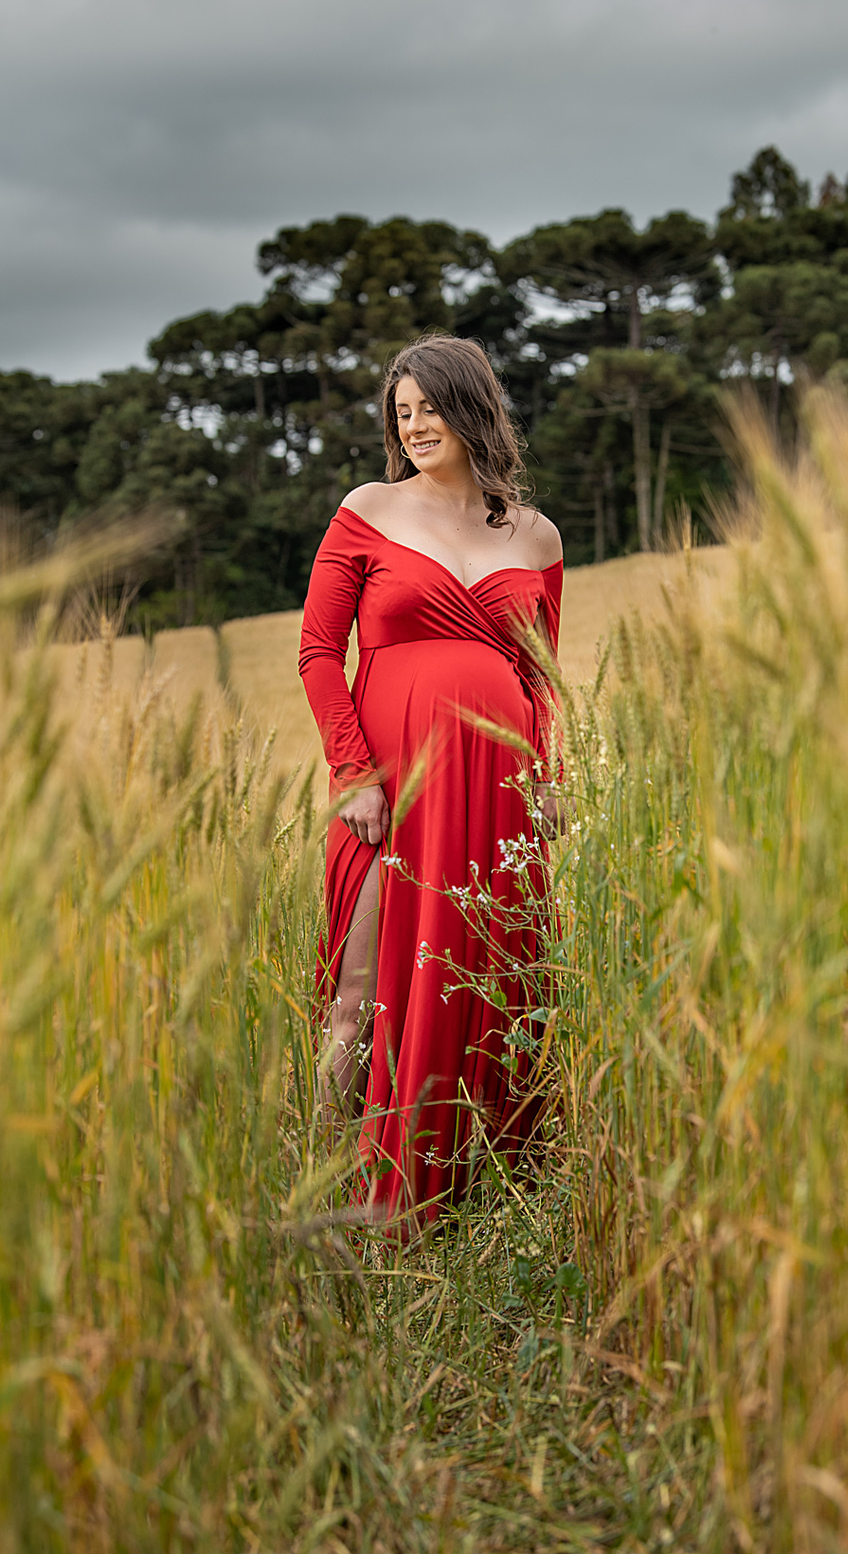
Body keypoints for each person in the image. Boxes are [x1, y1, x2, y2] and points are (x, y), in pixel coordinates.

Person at [297, 333, 563, 1223]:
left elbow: (542, 678)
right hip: (391, 786)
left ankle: (482, 1196)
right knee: (359, 999)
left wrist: (550, 778)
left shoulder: (536, 535)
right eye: (400, 412)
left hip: (499, 786)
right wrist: (352, 770)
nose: (413, 427)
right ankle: (331, 1189)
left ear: (471, 406)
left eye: (428, 407)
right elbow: (317, 651)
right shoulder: (369, 507)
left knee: (495, 985)